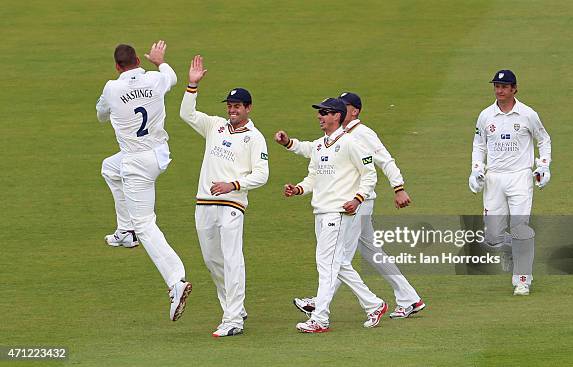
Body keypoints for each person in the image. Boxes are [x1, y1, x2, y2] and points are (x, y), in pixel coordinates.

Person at [275, 92, 425, 319]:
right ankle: (409, 298)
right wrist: (289, 143)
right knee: (370, 253)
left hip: (357, 202)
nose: (330, 112)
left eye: (341, 107)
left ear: (353, 111)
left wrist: (398, 187)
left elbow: (384, 159)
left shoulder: (361, 134)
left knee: (338, 257)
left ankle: (325, 305)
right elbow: (311, 150)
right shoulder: (333, 138)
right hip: (351, 201)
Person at [96, 41, 191, 321]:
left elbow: (102, 115)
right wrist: (159, 60)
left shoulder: (112, 88)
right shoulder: (155, 78)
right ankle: (124, 232)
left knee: (146, 224)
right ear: (139, 59)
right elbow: (172, 76)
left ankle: (176, 281)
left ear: (117, 67)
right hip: (159, 153)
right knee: (109, 169)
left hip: (137, 162)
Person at [179, 55, 269, 337]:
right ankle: (234, 306)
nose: (232, 110)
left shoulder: (255, 138)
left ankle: (233, 319)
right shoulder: (214, 126)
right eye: (230, 106)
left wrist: (234, 185)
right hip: (204, 202)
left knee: (232, 259)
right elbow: (186, 114)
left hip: (232, 204)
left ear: (248, 108)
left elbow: (262, 175)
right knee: (212, 260)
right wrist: (192, 86)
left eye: (237, 106)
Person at [285, 97, 386, 333]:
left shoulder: (352, 143)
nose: (320, 116)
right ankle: (374, 304)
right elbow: (313, 178)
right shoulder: (320, 145)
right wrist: (298, 189)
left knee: (327, 265)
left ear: (337, 116)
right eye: (320, 112)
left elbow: (369, 174)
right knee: (337, 263)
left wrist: (357, 199)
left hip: (339, 212)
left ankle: (320, 318)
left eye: (325, 112)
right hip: (320, 211)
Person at [469, 69, 551, 296]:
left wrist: (543, 166)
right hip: (494, 178)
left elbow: (544, 140)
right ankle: (511, 249)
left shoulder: (528, 114)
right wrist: (476, 170)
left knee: (520, 227)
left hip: (520, 177)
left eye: (504, 87)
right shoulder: (485, 115)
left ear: (514, 89)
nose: (499, 90)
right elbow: (479, 145)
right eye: (496, 86)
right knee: (493, 236)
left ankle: (522, 279)